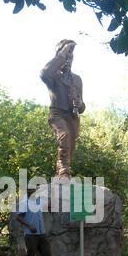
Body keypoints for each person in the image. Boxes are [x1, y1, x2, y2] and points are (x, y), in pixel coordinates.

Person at [40, 39, 85, 179]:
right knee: (64, 136)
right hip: (57, 114)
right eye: (66, 56)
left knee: (69, 148)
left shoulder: (77, 79)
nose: (68, 60)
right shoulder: (53, 76)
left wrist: (80, 104)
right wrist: (61, 55)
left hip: (72, 118)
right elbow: (44, 73)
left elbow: (83, 105)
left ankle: (60, 173)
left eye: (70, 56)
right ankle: (64, 170)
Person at [16, 187, 55, 256]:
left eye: (33, 190)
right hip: (30, 234)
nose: (31, 192)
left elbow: (50, 205)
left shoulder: (39, 201)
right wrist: (29, 225)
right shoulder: (24, 203)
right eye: (29, 190)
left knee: (48, 255)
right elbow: (18, 217)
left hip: (42, 234)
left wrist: (54, 193)